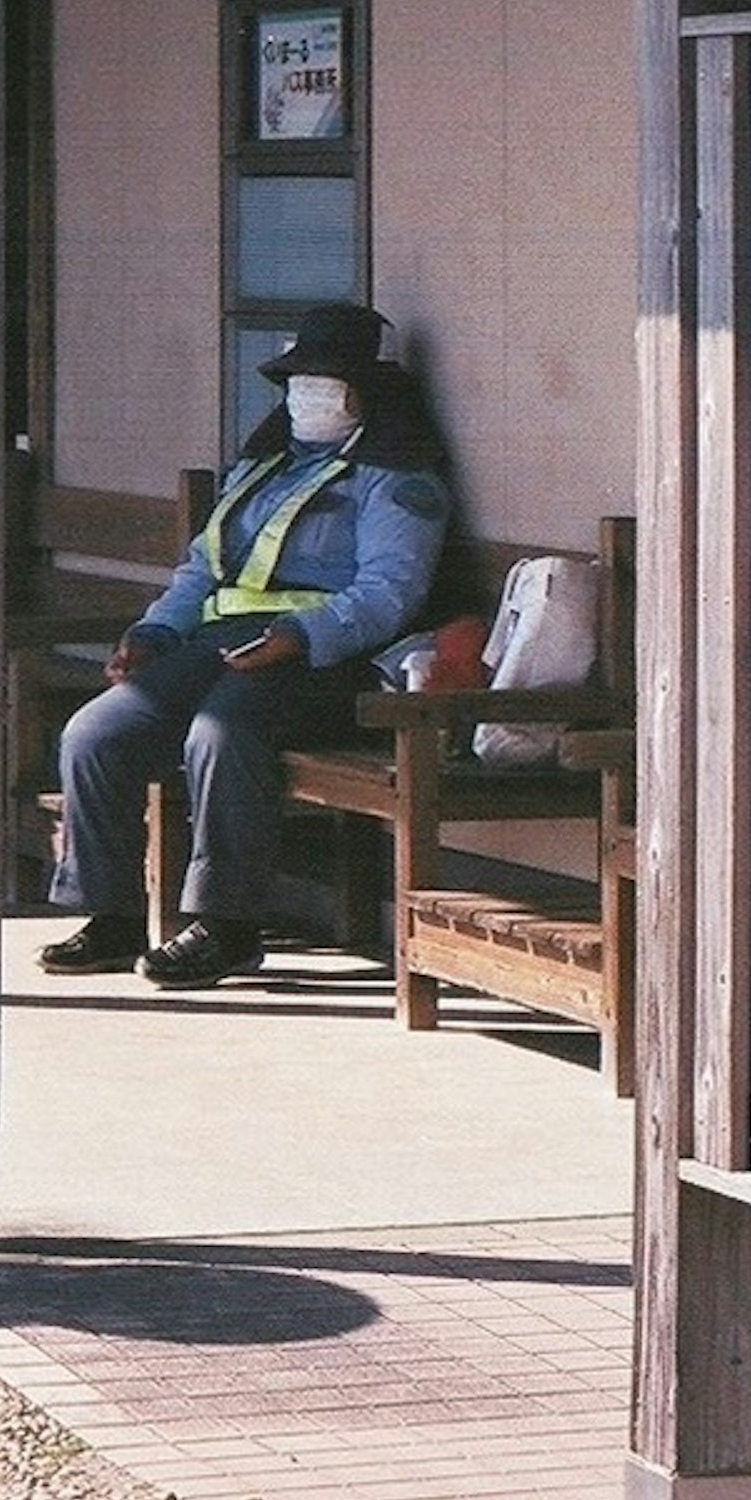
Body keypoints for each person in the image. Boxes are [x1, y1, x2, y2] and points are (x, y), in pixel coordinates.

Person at [38, 302, 452, 989]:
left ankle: (226, 926)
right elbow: (201, 568)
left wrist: (298, 635)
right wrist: (153, 632)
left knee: (221, 733)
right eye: (298, 382)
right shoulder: (263, 466)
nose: (307, 395)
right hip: (219, 643)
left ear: (366, 392)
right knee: (96, 732)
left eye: (327, 382)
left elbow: (390, 594)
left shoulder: (399, 479)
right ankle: (110, 915)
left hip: (325, 660)